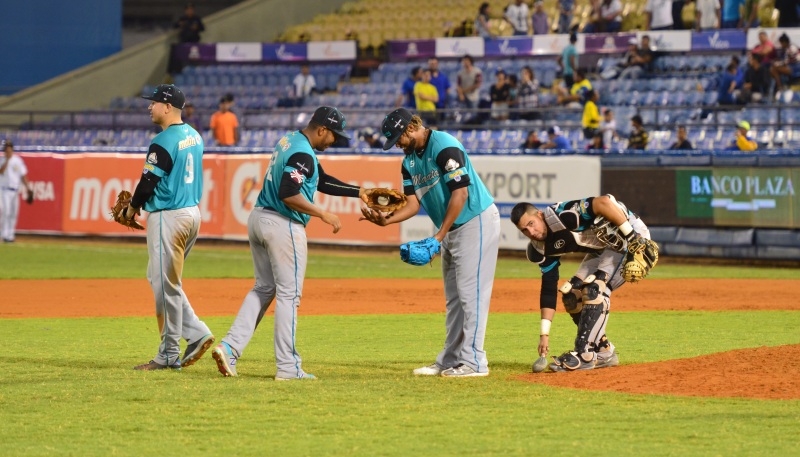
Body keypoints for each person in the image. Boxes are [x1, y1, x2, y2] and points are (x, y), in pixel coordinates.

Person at [211, 107, 371, 380]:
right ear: (321, 129)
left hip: (259, 218)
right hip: (283, 225)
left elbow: (320, 180)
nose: (333, 142)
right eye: (333, 136)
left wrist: (359, 192)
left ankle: (230, 347)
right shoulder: (302, 153)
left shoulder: (292, 141)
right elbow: (288, 192)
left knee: (264, 288)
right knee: (289, 295)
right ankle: (288, 367)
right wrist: (322, 213)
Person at [360, 108, 501, 377]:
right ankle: (450, 359)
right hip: (449, 229)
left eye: (398, 138)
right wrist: (386, 220)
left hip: (476, 221)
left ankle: (475, 363)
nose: (398, 145)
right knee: (454, 300)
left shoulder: (444, 145)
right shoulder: (408, 161)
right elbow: (412, 204)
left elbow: (460, 194)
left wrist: (438, 236)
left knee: (472, 296)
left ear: (410, 128)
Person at [509, 194, 653, 371]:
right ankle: (604, 352)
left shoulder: (562, 215)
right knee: (572, 295)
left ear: (539, 215)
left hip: (628, 238)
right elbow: (548, 289)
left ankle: (584, 354)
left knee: (595, 289)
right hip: (603, 248)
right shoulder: (541, 248)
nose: (531, 232)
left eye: (531, 224)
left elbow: (604, 202)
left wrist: (633, 237)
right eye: (524, 230)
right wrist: (544, 334)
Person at [127, 84, 214, 370]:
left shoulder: (163, 141)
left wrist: (132, 207)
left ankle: (168, 354)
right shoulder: (195, 136)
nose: (149, 107)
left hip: (169, 216)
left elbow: (148, 182)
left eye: (153, 103)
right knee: (159, 277)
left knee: (166, 286)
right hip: (192, 214)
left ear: (167, 107)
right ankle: (197, 332)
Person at [0, 140, 33, 243]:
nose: (8, 150)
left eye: (9, 148)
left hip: (15, 190)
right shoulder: (2, 160)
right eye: (6, 149)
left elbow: (23, 175)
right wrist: (7, 160)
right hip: (4, 190)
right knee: (6, 212)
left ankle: (10, 235)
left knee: (14, 213)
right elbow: (1, 171)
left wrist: (28, 188)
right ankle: (4, 234)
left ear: (12, 149)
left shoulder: (18, 161)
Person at [770, 34, 800, 101]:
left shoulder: (792, 48)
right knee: (773, 69)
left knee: (774, 69)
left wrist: (778, 64)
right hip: (791, 66)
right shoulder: (786, 49)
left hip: (796, 67)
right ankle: (780, 86)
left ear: (784, 42)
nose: (781, 45)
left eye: (781, 43)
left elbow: (789, 61)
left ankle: (780, 87)